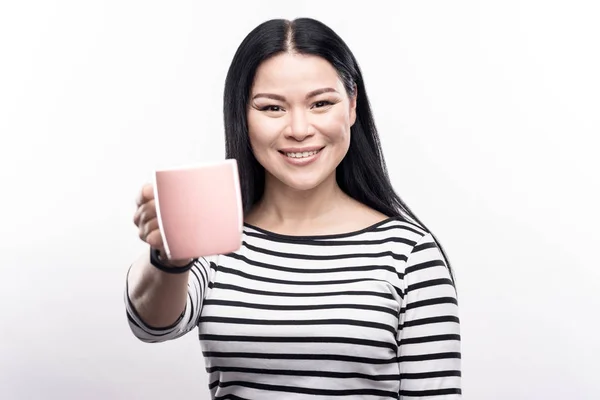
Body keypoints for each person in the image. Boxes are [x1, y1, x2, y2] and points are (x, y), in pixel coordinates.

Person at [126, 17, 462, 399]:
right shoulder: (215, 239)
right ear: (243, 115)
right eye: (272, 108)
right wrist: (168, 257)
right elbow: (152, 325)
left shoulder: (409, 253)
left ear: (351, 106)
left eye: (321, 103)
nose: (299, 129)